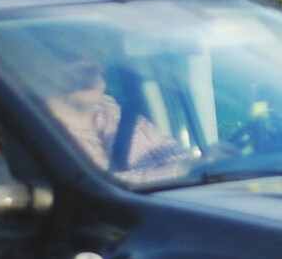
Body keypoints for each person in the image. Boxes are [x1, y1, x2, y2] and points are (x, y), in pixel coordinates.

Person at [41, 53, 188, 181]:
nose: (94, 69)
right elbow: (96, 185)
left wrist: (199, 167)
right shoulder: (41, 132)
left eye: (95, 60)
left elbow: (169, 151)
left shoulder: (114, 110)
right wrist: (182, 171)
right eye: (70, 56)